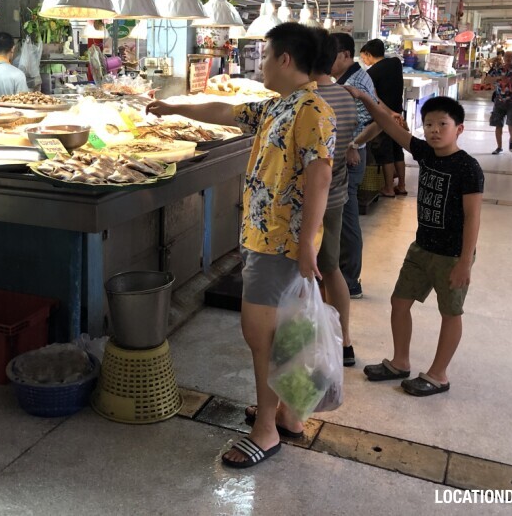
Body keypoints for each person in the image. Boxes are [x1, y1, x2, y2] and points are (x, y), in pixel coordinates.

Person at [147, 23, 336, 468]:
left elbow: (320, 176)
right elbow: (226, 111)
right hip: (265, 238)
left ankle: (265, 430)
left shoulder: (311, 109)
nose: (262, 63)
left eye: (266, 55)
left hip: (280, 244)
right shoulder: (280, 106)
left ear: (285, 59)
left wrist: (307, 244)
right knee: (284, 331)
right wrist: (170, 106)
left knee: (261, 335)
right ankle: (288, 414)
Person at [344, 92, 483, 397]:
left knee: (450, 312)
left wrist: (464, 262)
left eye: (442, 124)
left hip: (452, 255)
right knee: (400, 302)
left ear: (458, 128)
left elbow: (473, 217)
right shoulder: (425, 152)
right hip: (421, 248)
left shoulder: (468, 167)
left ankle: (439, 374)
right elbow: (389, 125)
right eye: (429, 123)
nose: (434, 129)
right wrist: (367, 99)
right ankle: (400, 361)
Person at [312, 42, 359, 367]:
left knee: (300, 271)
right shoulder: (346, 95)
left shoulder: (307, 100)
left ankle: (308, 342)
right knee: (330, 268)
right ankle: (344, 341)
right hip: (336, 195)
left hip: (308, 200)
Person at [330, 33, 380, 301]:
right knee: (340, 220)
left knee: (348, 221)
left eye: (332, 55)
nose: (327, 60)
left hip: (351, 161)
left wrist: (353, 144)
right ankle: (339, 274)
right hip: (344, 158)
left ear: (346, 55)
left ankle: (350, 281)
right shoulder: (349, 78)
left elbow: (378, 120)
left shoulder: (355, 81)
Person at [360, 39, 406, 197]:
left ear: (368, 54)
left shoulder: (371, 73)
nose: (364, 61)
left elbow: (374, 97)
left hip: (384, 116)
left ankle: (388, 188)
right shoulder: (395, 63)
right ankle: (401, 185)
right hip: (398, 112)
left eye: (364, 58)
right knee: (397, 150)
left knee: (386, 153)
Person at [484, 50, 512, 154]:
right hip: (499, 100)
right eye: (506, 57)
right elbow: (486, 80)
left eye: (511, 57)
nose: (508, 59)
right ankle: (499, 147)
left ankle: (511, 140)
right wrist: (498, 78)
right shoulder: (498, 70)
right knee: (498, 124)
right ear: (503, 58)